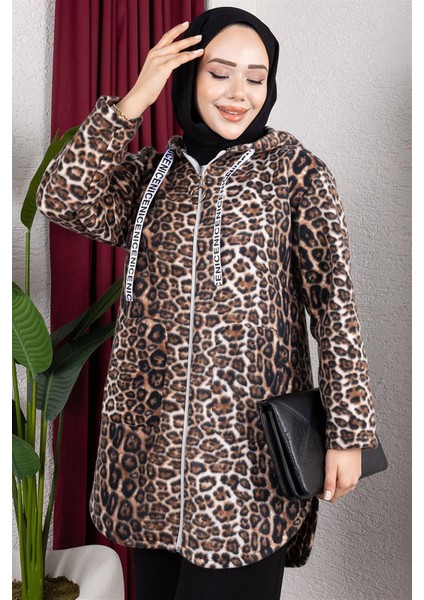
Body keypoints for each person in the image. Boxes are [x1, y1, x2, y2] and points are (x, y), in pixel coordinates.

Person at [35, 6, 379, 600]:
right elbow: (62, 196)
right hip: (153, 460)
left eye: (256, 77)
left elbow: (335, 308)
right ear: (188, 77)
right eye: (220, 73)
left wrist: (349, 433)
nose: (239, 93)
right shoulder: (153, 177)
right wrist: (132, 102)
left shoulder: (296, 174)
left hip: (246, 470)